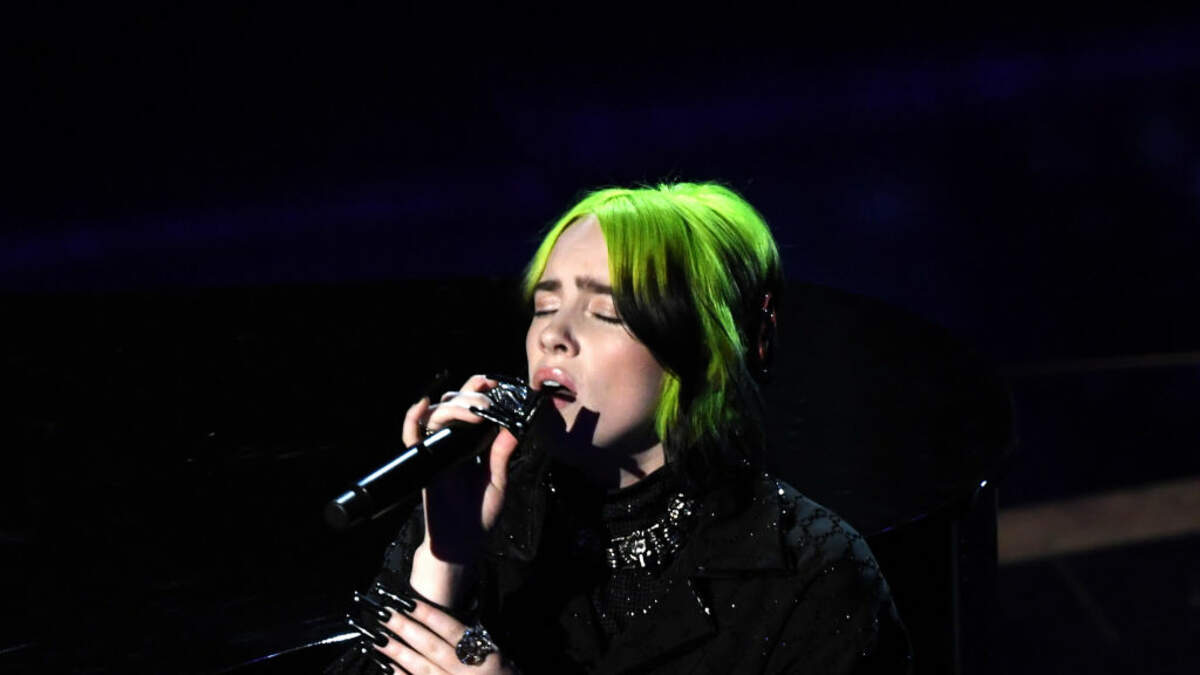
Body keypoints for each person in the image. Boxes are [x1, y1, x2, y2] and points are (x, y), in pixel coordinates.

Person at [327, 183, 912, 674]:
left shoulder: (809, 570)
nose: (552, 336)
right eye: (545, 306)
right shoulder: (483, 504)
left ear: (707, 347)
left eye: (606, 313)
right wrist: (442, 564)